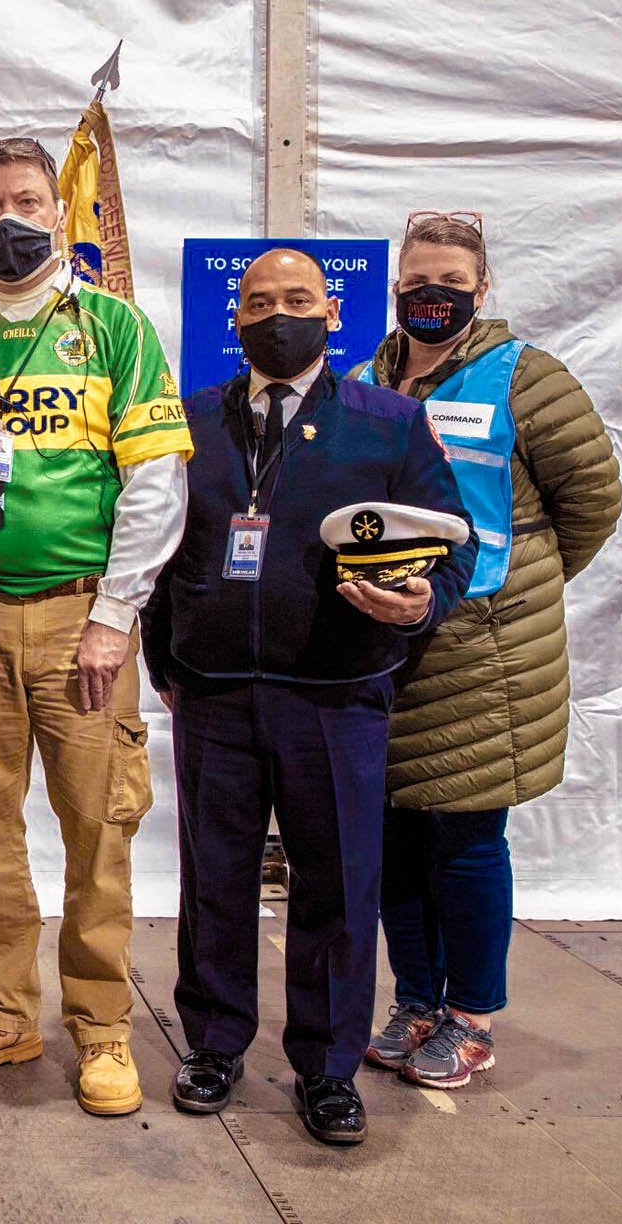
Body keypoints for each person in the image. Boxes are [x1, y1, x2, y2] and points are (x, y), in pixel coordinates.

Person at [142, 248, 476, 1146]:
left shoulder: (393, 423)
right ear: (234, 318)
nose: (276, 314)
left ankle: (326, 1067)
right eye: (258, 301)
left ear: (332, 313)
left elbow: (455, 546)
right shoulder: (190, 421)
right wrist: (164, 661)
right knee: (214, 882)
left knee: (336, 886)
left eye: (296, 299)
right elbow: (158, 548)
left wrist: (419, 605)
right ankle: (213, 1044)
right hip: (212, 694)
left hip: (336, 696)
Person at [0, 136, 192, 1116]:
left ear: (58, 213)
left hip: (81, 618)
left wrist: (116, 614)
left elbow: (154, 479)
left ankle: (102, 1024)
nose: (10, 218)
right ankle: (0, 1009)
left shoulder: (113, 327)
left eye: (28, 199)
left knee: (99, 825)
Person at [352, 213, 621, 1088]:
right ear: (397, 290)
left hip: (485, 654)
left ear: (481, 289)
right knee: (394, 837)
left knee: (466, 839)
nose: (433, 299)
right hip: (389, 647)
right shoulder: (366, 378)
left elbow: (592, 505)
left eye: (451, 286)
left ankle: (470, 1016)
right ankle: (416, 1000)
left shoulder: (528, 380)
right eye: (417, 285)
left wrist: (518, 586)